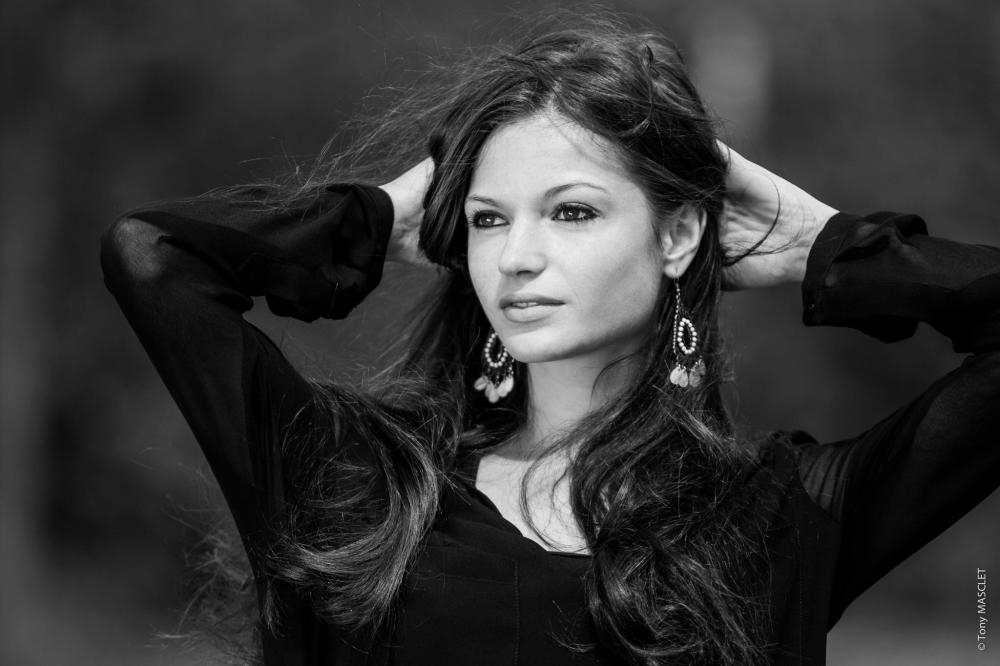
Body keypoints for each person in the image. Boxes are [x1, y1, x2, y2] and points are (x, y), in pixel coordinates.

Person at [99, 15, 1000, 666]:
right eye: (487, 219)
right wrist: (368, 221)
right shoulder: (360, 479)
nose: (516, 257)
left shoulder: (779, 515)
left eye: (571, 211)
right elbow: (152, 258)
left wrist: (824, 247)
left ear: (679, 233)